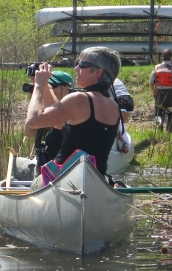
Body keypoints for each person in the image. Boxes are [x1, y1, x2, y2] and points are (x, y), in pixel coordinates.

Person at [25, 47, 121, 189]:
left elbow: (33, 121)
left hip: (61, 181)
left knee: (35, 183)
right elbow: (58, 125)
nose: (76, 68)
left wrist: (38, 85)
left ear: (97, 72)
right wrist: (46, 85)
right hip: (96, 183)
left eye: (82, 65)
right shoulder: (113, 106)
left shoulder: (78, 99)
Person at [13, 71, 74, 181]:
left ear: (67, 89)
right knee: (16, 162)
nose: (47, 90)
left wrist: (42, 88)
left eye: (51, 87)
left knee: (15, 164)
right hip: (44, 165)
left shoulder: (69, 113)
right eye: (46, 87)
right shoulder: (47, 113)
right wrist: (35, 98)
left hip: (52, 172)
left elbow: (58, 119)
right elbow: (30, 132)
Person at [149, 49, 172, 133]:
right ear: (171, 58)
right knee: (171, 113)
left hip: (159, 93)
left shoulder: (156, 68)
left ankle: (159, 129)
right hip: (171, 94)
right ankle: (169, 132)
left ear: (162, 57)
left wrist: (154, 92)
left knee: (158, 114)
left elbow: (150, 82)